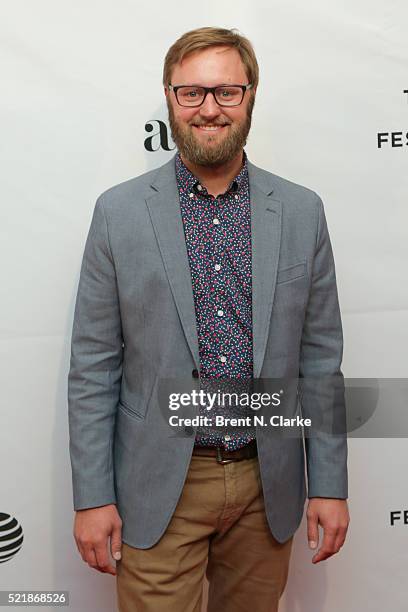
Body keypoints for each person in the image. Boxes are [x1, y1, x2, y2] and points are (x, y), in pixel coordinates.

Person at [68, 26, 350, 612]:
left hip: (265, 482)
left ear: (250, 98)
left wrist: (327, 482)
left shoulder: (301, 211)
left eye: (226, 91)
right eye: (191, 93)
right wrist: (92, 498)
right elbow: (93, 367)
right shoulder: (118, 213)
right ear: (170, 99)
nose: (209, 109)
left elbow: (321, 362)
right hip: (158, 482)